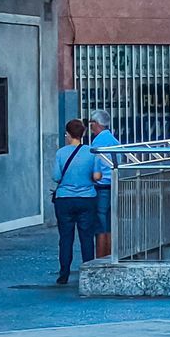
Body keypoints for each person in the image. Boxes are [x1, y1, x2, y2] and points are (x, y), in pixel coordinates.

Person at [51, 118, 101, 285]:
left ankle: (64, 274)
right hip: (87, 198)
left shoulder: (60, 153)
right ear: (84, 133)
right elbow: (97, 176)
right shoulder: (92, 152)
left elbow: (56, 177)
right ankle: (88, 272)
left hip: (64, 200)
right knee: (86, 237)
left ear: (67, 134)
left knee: (65, 238)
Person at [87, 109, 118, 258]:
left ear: (97, 124)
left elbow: (95, 168)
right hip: (114, 185)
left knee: (100, 224)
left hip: (101, 187)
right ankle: (110, 254)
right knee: (110, 223)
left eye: (91, 124)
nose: (90, 128)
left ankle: (100, 257)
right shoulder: (114, 140)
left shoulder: (97, 142)